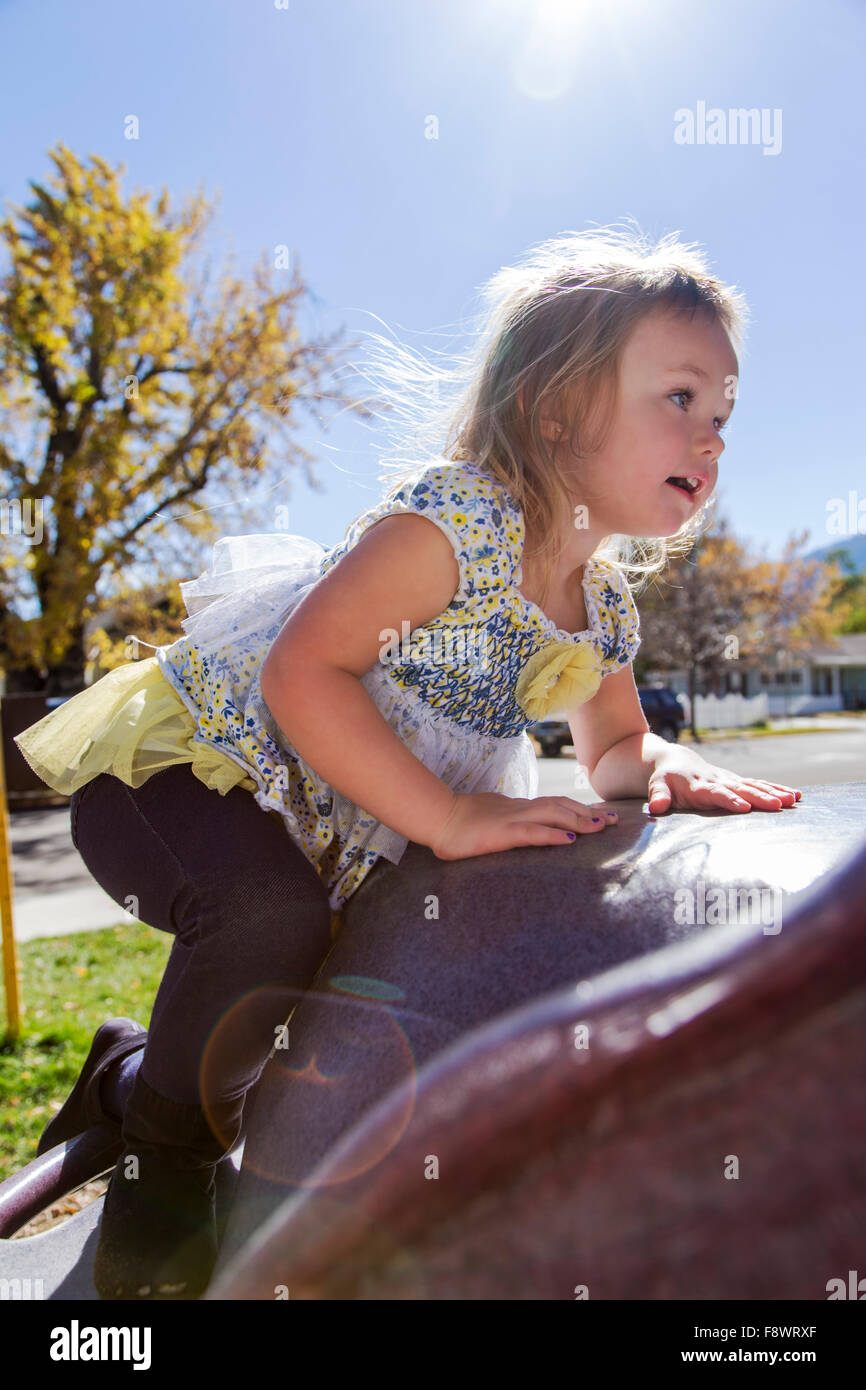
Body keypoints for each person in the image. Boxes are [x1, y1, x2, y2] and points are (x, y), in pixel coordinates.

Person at [14, 224, 801, 1300]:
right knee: (266, 921)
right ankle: (166, 1167)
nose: (709, 439)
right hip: (186, 779)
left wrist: (660, 764)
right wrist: (444, 817)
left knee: (328, 975)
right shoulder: (456, 523)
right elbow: (304, 675)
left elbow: (611, 743)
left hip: (329, 825)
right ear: (555, 407)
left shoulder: (600, 607)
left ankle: (131, 1074)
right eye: (678, 400)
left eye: (722, 415)